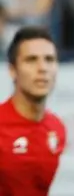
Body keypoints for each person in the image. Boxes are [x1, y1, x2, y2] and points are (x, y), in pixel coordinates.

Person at [0, 27, 66, 196]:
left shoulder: (56, 128)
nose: (42, 68)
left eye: (49, 60)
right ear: (12, 70)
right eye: (31, 60)